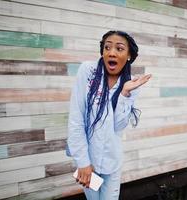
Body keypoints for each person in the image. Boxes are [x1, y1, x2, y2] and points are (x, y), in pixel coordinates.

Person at [67, 30, 151, 200]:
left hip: (112, 162)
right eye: (107, 47)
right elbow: (76, 119)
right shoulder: (87, 71)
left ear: (128, 56)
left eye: (119, 49)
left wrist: (125, 94)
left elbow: (118, 126)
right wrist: (83, 162)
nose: (111, 52)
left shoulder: (131, 83)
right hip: (87, 160)